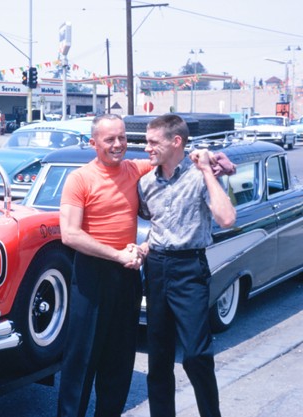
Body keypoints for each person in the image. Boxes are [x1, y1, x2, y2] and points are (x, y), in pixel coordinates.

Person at [138, 114, 236, 417]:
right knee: (159, 358)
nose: (147, 148)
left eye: (153, 142)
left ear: (176, 141)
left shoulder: (201, 175)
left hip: (189, 269)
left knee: (197, 355)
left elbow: (226, 218)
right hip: (156, 268)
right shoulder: (145, 181)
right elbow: (146, 218)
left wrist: (209, 169)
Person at [57, 113, 151, 417]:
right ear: (93, 143)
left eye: (122, 137)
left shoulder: (135, 169)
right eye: (110, 139)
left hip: (127, 277)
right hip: (92, 276)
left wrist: (209, 157)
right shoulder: (80, 179)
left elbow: (172, 156)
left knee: (120, 361)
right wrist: (117, 255)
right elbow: (70, 235)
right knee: (81, 360)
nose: (118, 144)